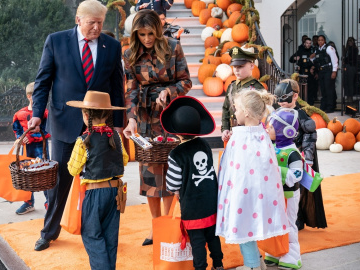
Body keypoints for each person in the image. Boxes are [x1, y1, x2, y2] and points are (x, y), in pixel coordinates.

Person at [29, 0, 125, 251]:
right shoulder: (56, 41)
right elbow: (43, 81)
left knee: (99, 181)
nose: (96, 27)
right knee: (59, 181)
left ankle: (94, 232)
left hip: (99, 126)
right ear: (78, 20)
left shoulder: (112, 46)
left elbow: (117, 87)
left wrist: (117, 125)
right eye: (92, 22)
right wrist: (37, 113)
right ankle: (49, 231)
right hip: (63, 123)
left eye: (100, 23)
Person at [122, 9, 192, 246]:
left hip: (171, 117)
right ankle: (156, 226)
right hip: (144, 118)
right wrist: (131, 119)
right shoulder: (130, 54)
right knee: (150, 176)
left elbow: (186, 81)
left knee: (171, 173)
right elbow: (131, 90)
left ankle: (170, 224)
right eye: (142, 34)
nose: (147, 39)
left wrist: (169, 90)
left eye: (151, 33)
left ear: (158, 30)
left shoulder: (173, 47)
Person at [217, 90, 289, 270]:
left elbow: (235, 169)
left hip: (242, 193)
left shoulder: (242, 137)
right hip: (259, 193)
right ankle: (258, 261)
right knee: (248, 227)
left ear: (247, 112)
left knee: (243, 227)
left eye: (238, 109)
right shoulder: (261, 134)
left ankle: (253, 266)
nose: (235, 113)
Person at [66, 91, 128, 270]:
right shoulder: (116, 136)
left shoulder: (83, 140)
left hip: (94, 194)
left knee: (92, 236)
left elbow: (73, 169)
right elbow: (123, 160)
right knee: (110, 237)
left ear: (86, 115)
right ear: (107, 114)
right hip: (115, 192)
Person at [162, 96, 224, 270]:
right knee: (212, 236)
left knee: (197, 241)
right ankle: (218, 264)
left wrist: (173, 189)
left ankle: (200, 267)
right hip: (211, 201)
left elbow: (173, 184)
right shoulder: (204, 144)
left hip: (192, 206)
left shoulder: (176, 154)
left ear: (176, 131)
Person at [274, 79, 327, 231]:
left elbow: (310, 135)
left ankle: (297, 218)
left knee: (296, 189)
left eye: (284, 97)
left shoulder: (301, 115)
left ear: (295, 96)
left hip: (297, 158)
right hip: (281, 158)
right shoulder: (277, 114)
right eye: (278, 98)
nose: (281, 101)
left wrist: (308, 158)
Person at [264, 108, 303, 270]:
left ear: (284, 131)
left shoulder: (292, 153)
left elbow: (297, 174)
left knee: (288, 224)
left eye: (272, 128)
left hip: (289, 194)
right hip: (274, 194)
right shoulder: (272, 146)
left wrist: (277, 171)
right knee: (274, 222)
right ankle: (275, 251)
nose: (268, 129)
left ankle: (292, 256)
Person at [12, 82, 50, 215]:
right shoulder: (20, 114)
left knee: (45, 172)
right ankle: (28, 202)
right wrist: (22, 138)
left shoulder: (45, 113)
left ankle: (49, 202)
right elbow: (16, 129)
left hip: (41, 147)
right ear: (29, 96)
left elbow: (47, 130)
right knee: (25, 173)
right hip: (27, 148)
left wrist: (34, 137)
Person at [221, 46, 265, 142]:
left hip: (249, 136)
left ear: (252, 66)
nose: (236, 70)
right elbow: (226, 109)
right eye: (234, 66)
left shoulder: (257, 88)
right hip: (232, 134)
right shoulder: (232, 86)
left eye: (240, 66)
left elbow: (261, 114)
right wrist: (225, 129)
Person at [312, 35, 338, 113]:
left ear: (324, 41)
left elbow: (334, 59)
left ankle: (330, 107)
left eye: (322, 40)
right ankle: (323, 106)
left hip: (328, 71)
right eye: (319, 40)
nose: (320, 41)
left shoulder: (329, 48)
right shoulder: (317, 50)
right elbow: (313, 59)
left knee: (329, 89)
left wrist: (334, 71)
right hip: (321, 71)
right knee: (323, 90)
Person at [289, 37, 317, 105]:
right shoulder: (300, 51)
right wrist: (295, 58)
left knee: (311, 90)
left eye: (309, 43)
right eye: (307, 43)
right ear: (304, 43)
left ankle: (310, 105)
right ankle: (303, 104)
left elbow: (317, 61)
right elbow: (291, 59)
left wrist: (314, 68)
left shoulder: (313, 51)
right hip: (302, 73)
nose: (308, 44)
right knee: (302, 90)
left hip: (310, 73)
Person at [342, 37, 359, 102]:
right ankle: (348, 96)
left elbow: (352, 58)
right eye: (349, 41)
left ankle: (350, 97)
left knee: (350, 82)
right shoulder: (347, 49)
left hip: (351, 66)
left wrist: (346, 59)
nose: (350, 42)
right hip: (347, 66)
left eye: (351, 41)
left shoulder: (354, 49)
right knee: (346, 81)